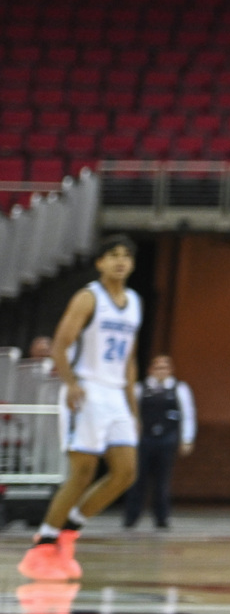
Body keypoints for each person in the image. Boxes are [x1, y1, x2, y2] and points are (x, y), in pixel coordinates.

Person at [18, 235, 142, 582]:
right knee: (83, 471)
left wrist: (134, 408)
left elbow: (130, 359)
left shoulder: (133, 301)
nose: (120, 261)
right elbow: (61, 342)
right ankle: (42, 545)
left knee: (126, 473)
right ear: (100, 262)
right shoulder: (89, 297)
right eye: (113, 255)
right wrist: (71, 383)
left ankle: (68, 532)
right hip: (87, 389)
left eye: (126, 257)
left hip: (116, 393)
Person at [123, 355, 196, 529]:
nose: (161, 371)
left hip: (167, 438)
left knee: (162, 480)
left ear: (170, 370)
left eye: (165, 368)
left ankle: (161, 517)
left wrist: (187, 439)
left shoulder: (180, 388)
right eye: (158, 368)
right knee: (137, 478)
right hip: (144, 438)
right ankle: (131, 517)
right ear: (151, 370)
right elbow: (130, 413)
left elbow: (188, 414)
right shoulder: (140, 388)